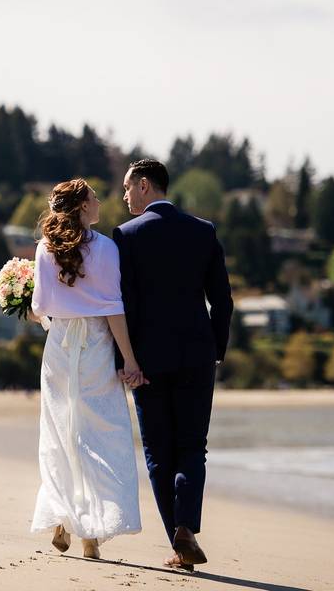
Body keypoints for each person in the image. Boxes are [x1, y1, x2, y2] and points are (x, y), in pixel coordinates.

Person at [114, 159, 233, 571]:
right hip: (197, 356)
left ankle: (180, 543)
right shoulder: (203, 231)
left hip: (147, 361)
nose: (125, 195)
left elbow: (121, 304)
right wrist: (216, 348)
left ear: (145, 186)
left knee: (159, 455)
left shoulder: (125, 236)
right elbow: (223, 299)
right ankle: (186, 530)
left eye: (128, 187)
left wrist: (124, 360)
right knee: (192, 448)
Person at [29, 178, 146, 560]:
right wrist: (129, 359)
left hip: (59, 347)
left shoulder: (45, 249)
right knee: (100, 432)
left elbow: (39, 309)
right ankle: (89, 533)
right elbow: (113, 307)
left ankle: (64, 516)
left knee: (62, 430)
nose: (100, 203)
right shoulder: (107, 249)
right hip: (95, 345)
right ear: (82, 207)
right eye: (94, 198)